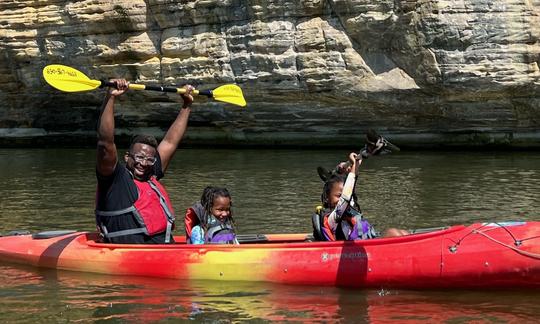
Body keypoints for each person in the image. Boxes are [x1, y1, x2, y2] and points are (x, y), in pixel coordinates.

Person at [94, 78, 194, 244]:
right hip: (132, 254)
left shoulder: (150, 172)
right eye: (139, 157)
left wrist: (187, 106)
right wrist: (111, 97)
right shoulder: (115, 180)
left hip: (165, 251)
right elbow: (105, 142)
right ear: (127, 157)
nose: (144, 163)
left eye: (149, 159)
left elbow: (170, 142)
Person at [315, 152, 408, 241]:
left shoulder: (350, 212)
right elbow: (346, 197)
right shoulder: (332, 218)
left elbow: (350, 192)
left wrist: (355, 167)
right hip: (352, 253)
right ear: (327, 198)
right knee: (393, 234)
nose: (341, 199)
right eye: (338, 195)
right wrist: (353, 169)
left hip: (366, 247)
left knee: (403, 233)